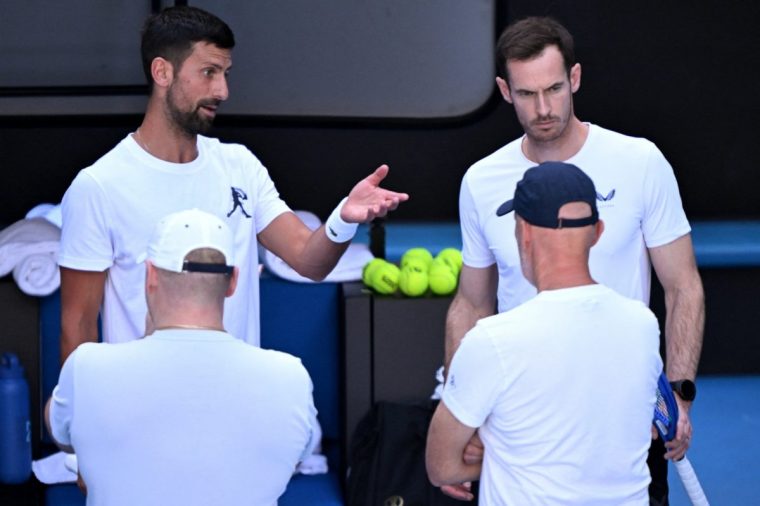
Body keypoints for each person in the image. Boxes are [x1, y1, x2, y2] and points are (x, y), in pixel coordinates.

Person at [443, 16, 704, 503]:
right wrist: (463, 412)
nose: (543, 108)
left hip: (624, 406)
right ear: (504, 90)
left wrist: (679, 393)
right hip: (523, 412)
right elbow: (471, 304)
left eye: (554, 89)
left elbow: (683, 286)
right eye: (526, 94)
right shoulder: (480, 181)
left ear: (576, 78)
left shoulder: (640, 161)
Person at [58, 5, 408, 360]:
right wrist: (80, 410)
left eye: (225, 73)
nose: (222, 90)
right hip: (140, 409)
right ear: (162, 72)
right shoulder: (98, 186)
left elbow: (309, 261)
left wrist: (343, 219)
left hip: (237, 406)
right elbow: (78, 327)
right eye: (209, 72)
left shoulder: (240, 165)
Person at [428, 162, 664, 505]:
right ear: (598, 232)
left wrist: (499, 451)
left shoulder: (492, 340)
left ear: (523, 232)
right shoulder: (643, 325)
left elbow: (441, 467)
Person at [46, 209, 319, 505]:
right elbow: (297, 454)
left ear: (150, 275)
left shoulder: (87, 368)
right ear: (233, 282)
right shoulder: (290, 377)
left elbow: (60, 431)